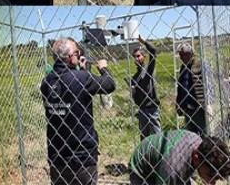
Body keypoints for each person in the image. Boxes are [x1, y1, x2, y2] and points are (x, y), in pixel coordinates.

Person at [41, 36, 116, 184]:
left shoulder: (47, 82)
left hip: (57, 157)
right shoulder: (82, 78)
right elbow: (109, 85)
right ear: (70, 57)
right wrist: (103, 68)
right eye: (77, 52)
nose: (79, 54)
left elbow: (72, 92)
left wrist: (82, 70)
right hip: (81, 158)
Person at [129, 129, 230, 184]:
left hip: (164, 158)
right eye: (210, 176)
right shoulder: (173, 169)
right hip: (141, 170)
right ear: (196, 157)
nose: (213, 184)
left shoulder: (199, 143)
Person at [176, 43, 213, 135]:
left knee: (204, 135)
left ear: (188, 54)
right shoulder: (183, 68)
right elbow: (180, 88)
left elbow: (210, 84)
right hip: (188, 109)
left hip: (200, 108)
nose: (180, 57)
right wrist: (179, 104)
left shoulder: (201, 65)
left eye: (181, 55)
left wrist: (208, 103)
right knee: (191, 136)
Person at [130, 34, 162, 140]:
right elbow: (136, 100)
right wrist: (133, 94)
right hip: (142, 111)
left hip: (152, 109)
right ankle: (146, 156)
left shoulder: (149, 70)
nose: (136, 59)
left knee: (157, 138)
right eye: (134, 57)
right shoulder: (134, 78)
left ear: (144, 57)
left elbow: (153, 51)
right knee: (144, 140)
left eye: (138, 56)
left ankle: (160, 156)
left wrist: (143, 41)